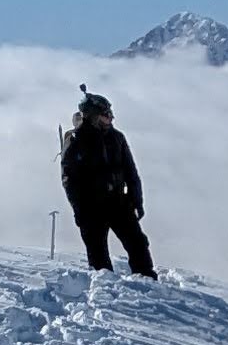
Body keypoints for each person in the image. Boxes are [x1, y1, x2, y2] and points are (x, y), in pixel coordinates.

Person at [60, 90, 157, 276]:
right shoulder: (76, 140)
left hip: (119, 202)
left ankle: (147, 281)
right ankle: (106, 293)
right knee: (98, 253)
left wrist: (136, 200)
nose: (111, 118)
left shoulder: (116, 137)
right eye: (106, 114)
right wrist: (79, 209)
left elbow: (131, 171)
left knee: (138, 243)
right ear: (93, 116)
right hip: (91, 207)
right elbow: (69, 180)